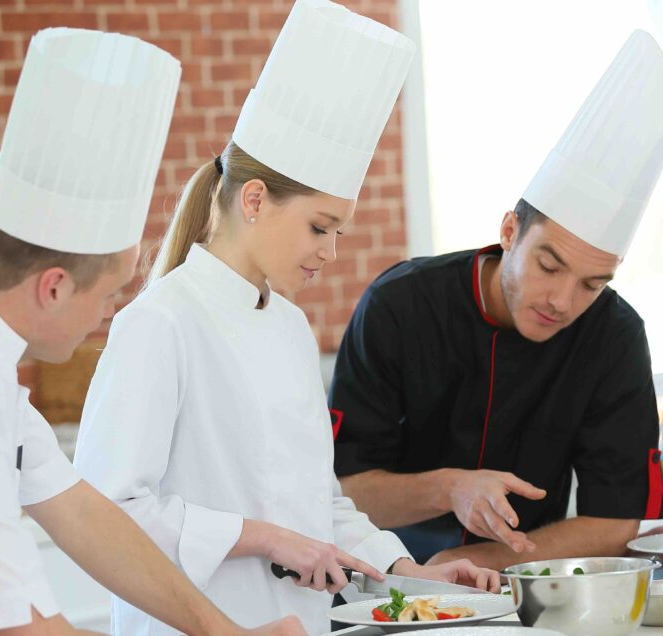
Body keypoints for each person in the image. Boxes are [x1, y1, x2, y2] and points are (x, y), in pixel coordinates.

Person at [0, 28, 302, 635]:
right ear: (54, 286)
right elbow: (30, 632)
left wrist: (223, 632)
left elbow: (83, 513)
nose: (112, 313)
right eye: (109, 291)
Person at [72, 2, 499, 634]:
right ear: (254, 200)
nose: (331, 251)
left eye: (339, 232)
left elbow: (320, 505)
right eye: (320, 227)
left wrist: (408, 569)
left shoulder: (291, 329)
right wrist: (260, 537)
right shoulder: (161, 323)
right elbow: (107, 515)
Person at [328, 30, 663, 569]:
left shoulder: (614, 335)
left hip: (532, 587)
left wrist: (487, 563)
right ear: (509, 231)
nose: (563, 300)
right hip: (391, 584)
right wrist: (449, 488)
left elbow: (622, 519)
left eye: (592, 284)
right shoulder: (400, 306)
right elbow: (342, 491)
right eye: (550, 265)